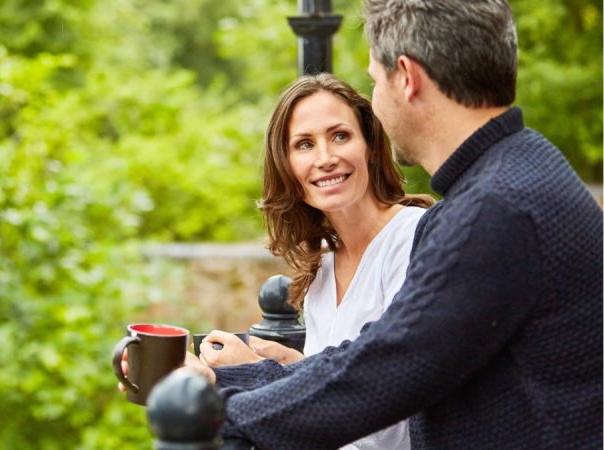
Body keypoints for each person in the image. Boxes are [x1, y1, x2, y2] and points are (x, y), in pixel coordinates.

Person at [181, 1, 604, 448]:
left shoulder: (496, 208)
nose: (376, 100)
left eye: (374, 80)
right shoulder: (519, 172)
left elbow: (384, 374)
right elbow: (379, 356)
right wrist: (240, 378)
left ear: (406, 76)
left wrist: (212, 410)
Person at [197, 74, 433, 450]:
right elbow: (335, 388)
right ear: (287, 165)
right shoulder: (322, 267)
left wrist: (252, 375)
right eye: (304, 144)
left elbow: (385, 411)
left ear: (370, 145)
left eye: (340, 136)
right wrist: (292, 366)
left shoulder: (415, 240)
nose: (325, 159)